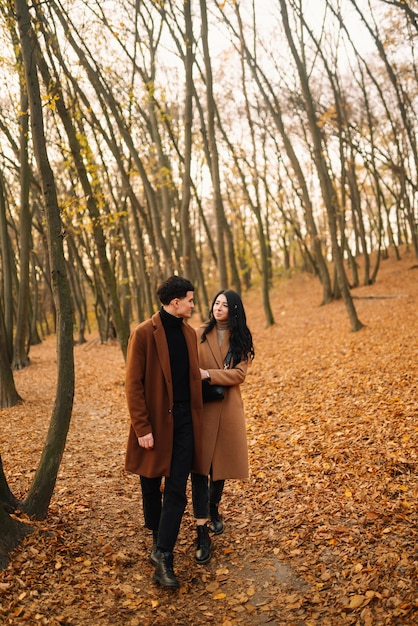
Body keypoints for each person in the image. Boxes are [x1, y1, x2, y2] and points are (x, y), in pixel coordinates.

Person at [125, 275, 205, 588]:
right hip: (156, 423)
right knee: (150, 485)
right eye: (190, 299)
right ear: (176, 303)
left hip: (186, 423)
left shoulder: (189, 334)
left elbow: (191, 379)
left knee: (176, 490)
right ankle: (158, 539)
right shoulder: (144, 333)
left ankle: (163, 554)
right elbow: (133, 385)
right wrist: (142, 427)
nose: (193, 305)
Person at [191, 289, 254, 564]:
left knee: (221, 468)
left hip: (227, 407)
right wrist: (202, 376)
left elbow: (239, 374)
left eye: (225, 305)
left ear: (234, 310)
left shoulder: (241, 339)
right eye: (216, 303)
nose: (218, 308)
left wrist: (209, 374)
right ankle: (201, 528)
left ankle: (213, 507)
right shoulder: (197, 333)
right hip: (202, 406)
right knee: (201, 467)